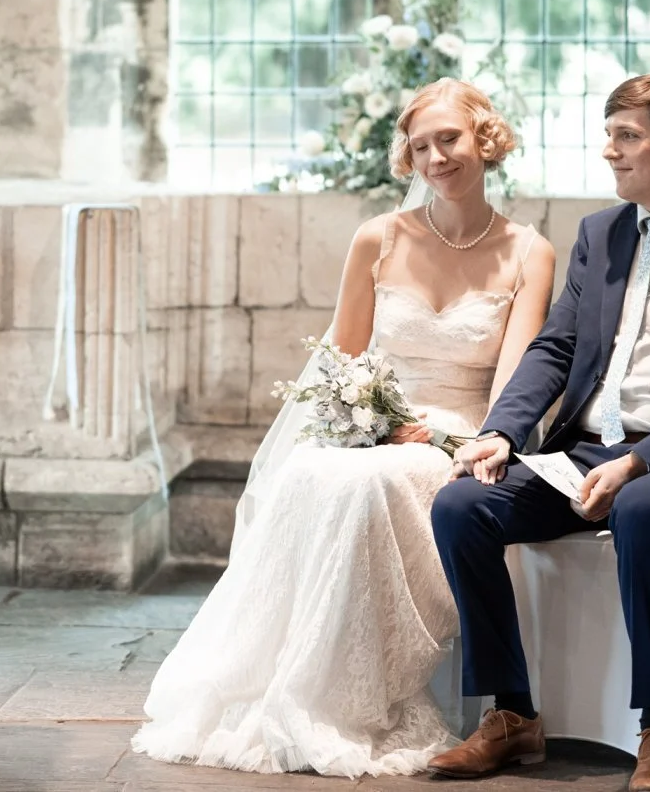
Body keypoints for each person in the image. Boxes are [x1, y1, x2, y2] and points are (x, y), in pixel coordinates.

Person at [132, 80, 556, 778]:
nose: (435, 158)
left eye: (448, 139)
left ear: (483, 138)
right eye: (419, 147)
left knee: (374, 487)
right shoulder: (378, 240)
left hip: (460, 436)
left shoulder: (528, 251)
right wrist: (370, 418)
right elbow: (338, 362)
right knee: (310, 473)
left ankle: (352, 700)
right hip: (375, 423)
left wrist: (455, 439)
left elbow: (516, 387)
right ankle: (291, 689)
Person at [428, 73, 650, 792]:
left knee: (643, 504)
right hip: (587, 449)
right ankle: (511, 713)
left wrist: (642, 462)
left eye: (627, 137)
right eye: (609, 136)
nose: (610, 153)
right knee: (461, 505)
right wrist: (503, 431)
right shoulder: (600, 235)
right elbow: (556, 348)